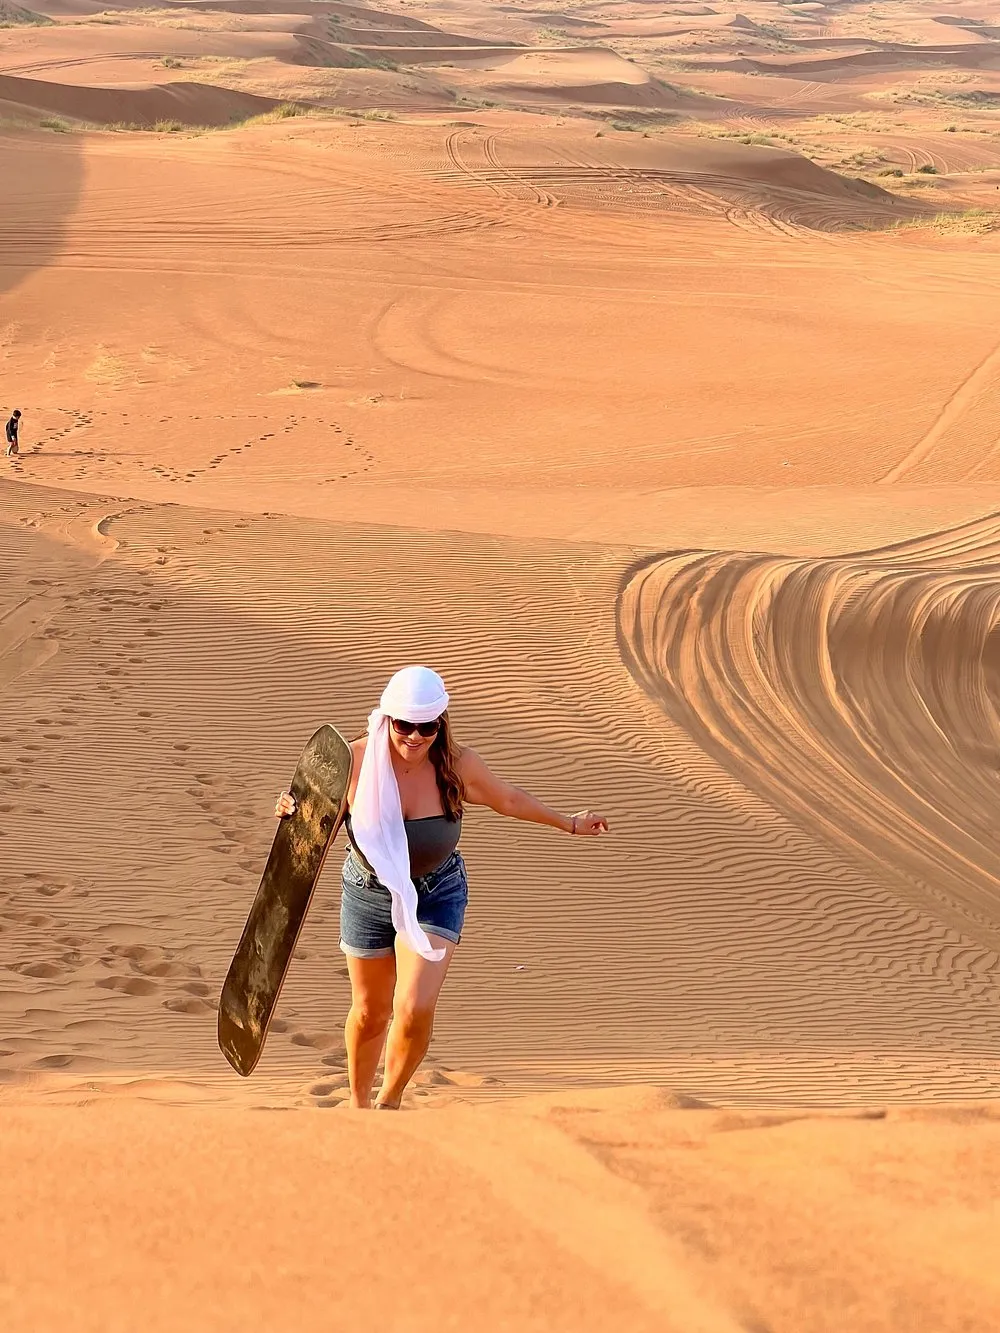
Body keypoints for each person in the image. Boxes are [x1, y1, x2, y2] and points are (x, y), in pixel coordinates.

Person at [275, 665, 609, 1110]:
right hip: (368, 890)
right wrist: (290, 812)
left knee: (412, 1007)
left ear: (441, 724)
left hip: (437, 891)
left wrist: (569, 823)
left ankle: (389, 1102)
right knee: (372, 1012)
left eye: (427, 727)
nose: (415, 737)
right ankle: (357, 1108)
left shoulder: (456, 764)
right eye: (404, 725)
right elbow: (313, 831)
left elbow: (506, 798)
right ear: (387, 718)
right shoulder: (353, 763)